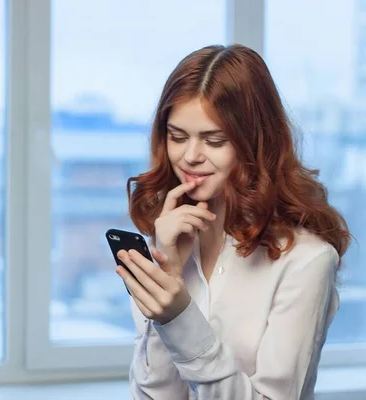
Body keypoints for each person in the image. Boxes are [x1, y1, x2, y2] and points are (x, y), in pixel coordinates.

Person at [114, 44, 351, 400]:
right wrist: (168, 277)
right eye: (177, 137)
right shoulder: (171, 243)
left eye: (214, 140)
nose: (190, 156)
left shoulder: (306, 261)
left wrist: (179, 318)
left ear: (254, 143)